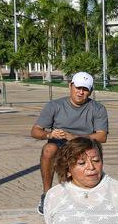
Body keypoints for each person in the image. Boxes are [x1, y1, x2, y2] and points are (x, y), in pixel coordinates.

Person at [29, 71, 108, 215]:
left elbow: (102, 136)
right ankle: (46, 194)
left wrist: (74, 137)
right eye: (78, 88)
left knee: (85, 158)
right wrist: (49, 134)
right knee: (48, 149)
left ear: (90, 91)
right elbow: (35, 131)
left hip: (84, 144)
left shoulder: (98, 108)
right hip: (58, 143)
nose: (80, 92)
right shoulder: (54, 105)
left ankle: (84, 194)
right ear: (70, 86)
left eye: (85, 89)